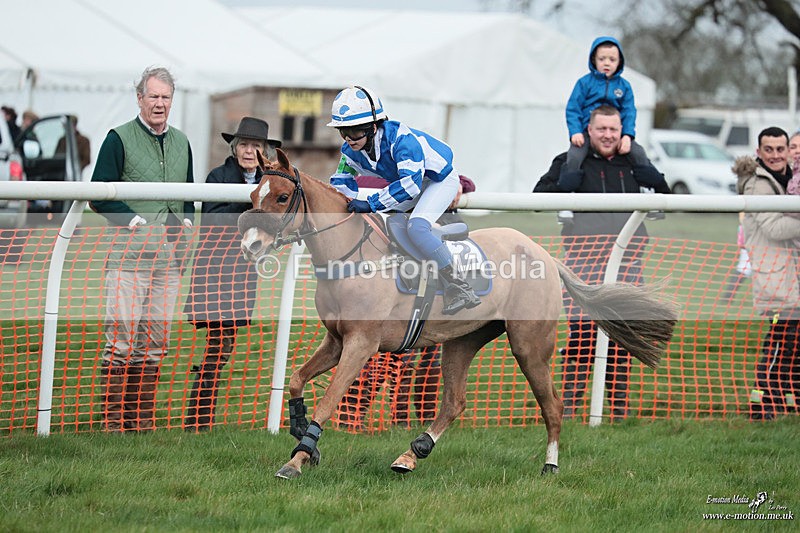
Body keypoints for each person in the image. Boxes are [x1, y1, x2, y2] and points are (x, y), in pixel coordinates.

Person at [533, 104, 669, 420]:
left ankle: (619, 413)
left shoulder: (634, 161)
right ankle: (566, 412)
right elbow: (539, 195)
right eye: (602, 129)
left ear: (622, 132)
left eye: (614, 129)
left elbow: (665, 192)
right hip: (584, 266)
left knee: (623, 339)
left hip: (628, 265)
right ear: (588, 130)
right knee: (583, 338)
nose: (608, 135)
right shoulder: (569, 160)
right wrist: (569, 178)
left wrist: (647, 170)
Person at [89, 66, 194, 433]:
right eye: (153, 96)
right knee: (120, 340)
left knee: (155, 343)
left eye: (166, 97)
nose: (160, 104)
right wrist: (131, 220)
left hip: (169, 260)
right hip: (128, 256)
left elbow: (189, 197)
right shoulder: (117, 139)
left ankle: (141, 420)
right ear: (139, 98)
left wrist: (186, 226)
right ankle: (113, 422)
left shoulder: (183, 142)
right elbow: (96, 196)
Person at [334, 175, 476, 430]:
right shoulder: (382, 172)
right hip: (402, 279)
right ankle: (353, 417)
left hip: (436, 281)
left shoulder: (427, 173)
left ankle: (414, 420)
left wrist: (458, 186)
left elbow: (460, 179)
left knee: (428, 359)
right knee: (389, 358)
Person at [326, 85, 480, 316]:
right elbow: (341, 182)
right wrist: (342, 207)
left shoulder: (401, 141)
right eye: (343, 131)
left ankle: (459, 285)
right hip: (412, 182)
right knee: (390, 223)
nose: (349, 138)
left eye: (356, 131)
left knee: (417, 227)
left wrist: (370, 203)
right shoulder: (350, 150)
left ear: (373, 127)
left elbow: (410, 185)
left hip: (438, 181)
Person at [182, 117, 281, 432]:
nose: (249, 151)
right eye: (243, 145)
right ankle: (198, 420)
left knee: (223, 348)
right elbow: (211, 218)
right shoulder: (219, 176)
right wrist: (251, 210)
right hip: (215, 272)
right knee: (217, 346)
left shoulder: (269, 179)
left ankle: (200, 420)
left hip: (243, 275)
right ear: (235, 148)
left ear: (264, 151)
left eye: (255, 146)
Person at [732, 126, 800, 420]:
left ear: (788, 151)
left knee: (789, 347)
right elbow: (774, 227)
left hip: (789, 277)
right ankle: (761, 406)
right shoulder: (759, 184)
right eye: (768, 150)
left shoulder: (784, 179)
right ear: (759, 152)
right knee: (778, 346)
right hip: (776, 280)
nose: (775, 155)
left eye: (780, 149)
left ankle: (782, 401)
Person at [563, 37, 649, 178]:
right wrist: (575, 132)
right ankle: (570, 184)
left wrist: (627, 135)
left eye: (612, 59)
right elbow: (573, 108)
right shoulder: (584, 83)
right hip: (586, 132)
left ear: (619, 62)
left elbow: (629, 112)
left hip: (616, 134)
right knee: (574, 156)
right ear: (594, 60)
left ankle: (647, 185)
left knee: (639, 153)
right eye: (602, 59)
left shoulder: (624, 86)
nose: (606, 63)